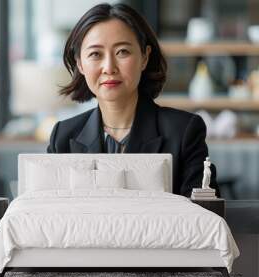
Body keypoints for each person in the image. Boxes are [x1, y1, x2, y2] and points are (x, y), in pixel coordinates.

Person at [46, 3, 219, 197]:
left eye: (122, 52)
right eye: (95, 54)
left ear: (144, 57)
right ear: (80, 64)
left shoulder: (184, 132)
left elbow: (201, 219)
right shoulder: (63, 137)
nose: (109, 67)